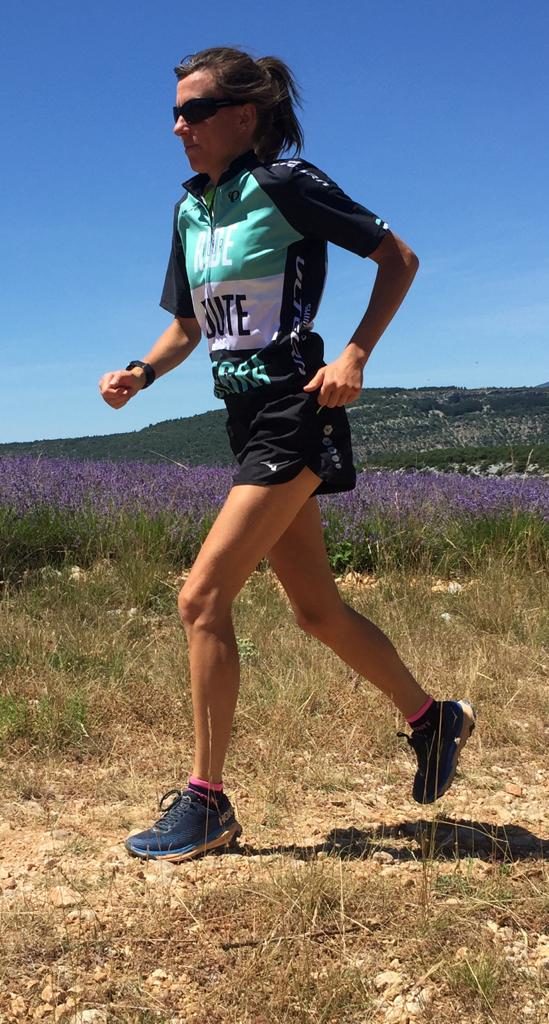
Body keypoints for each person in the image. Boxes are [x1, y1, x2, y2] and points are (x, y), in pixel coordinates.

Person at [99, 46, 475, 862]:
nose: (178, 127)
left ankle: (207, 804)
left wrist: (355, 355)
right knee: (315, 611)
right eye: (174, 112)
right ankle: (430, 717)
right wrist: (140, 372)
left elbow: (396, 259)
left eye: (194, 111)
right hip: (243, 420)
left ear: (246, 115)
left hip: (297, 412)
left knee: (201, 599)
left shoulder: (288, 185)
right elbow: (189, 328)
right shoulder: (190, 210)